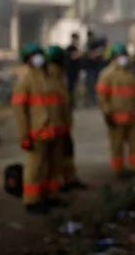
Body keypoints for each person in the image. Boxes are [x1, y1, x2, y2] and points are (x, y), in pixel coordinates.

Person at [11, 42, 69, 215]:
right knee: (35, 168)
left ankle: (52, 195)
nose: (38, 58)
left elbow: (61, 104)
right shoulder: (25, 82)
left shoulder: (52, 77)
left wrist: (65, 126)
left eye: (39, 54)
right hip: (37, 132)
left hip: (55, 130)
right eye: (33, 55)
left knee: (53, 166)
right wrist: (23, 136)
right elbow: (20, 113)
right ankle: (32, 200)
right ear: (27, 60)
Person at [96, 42, 135, 179]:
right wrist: (107, 114)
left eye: (124, 55)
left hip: (132, 116)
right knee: (116, 146)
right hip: (116, 118)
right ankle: (119, 171)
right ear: (114, 57)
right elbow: (102, 97)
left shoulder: (130, 74)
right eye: (120, 55)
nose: (123, 58)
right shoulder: (107, 74)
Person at [45, 45, 87, 192]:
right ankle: (56, 187)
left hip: (63, 125)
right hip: (51, 127)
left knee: (66, 155)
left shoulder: (59, 78)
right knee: (52, 160)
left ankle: (69, 179)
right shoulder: (48, 79)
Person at [65, 33, 82, 109]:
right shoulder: (70, 48)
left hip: (75, 71)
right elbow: (70, 57)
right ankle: (70, 103)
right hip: (70, 71)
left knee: (73, 88)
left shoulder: (76, 48)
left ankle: (72, 102)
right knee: (70, 88)